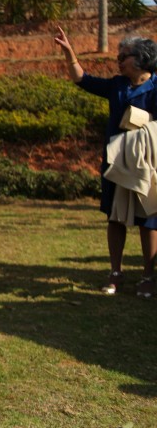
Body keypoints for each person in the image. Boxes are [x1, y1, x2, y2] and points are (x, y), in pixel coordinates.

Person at [54, 28, 157, 297]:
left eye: (124, 56)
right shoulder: (117, 85)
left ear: (142, 58)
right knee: (115, 217)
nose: (119, 60)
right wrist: (69, 53)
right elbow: (82, 79)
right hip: (117, 161)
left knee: (149, 220)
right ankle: (115, 272)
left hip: (147, 163)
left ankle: (148, 275)